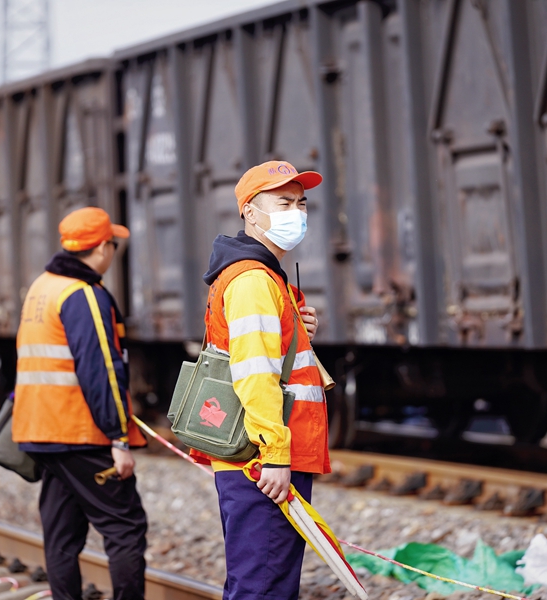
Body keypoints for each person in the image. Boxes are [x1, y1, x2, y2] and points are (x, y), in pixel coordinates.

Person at [195, 160, 332, 599]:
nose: (297, 212)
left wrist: (297, 329)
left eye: (301, 203)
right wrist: (275, 454)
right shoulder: (254, 279)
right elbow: (255, 375)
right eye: (283, 202)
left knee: (259, 581)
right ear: (250, 212)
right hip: (261, 461)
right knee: (264, 587)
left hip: (259, 458)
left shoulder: (262, 275)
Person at [12, 206, 147, 600]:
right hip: (79, 432)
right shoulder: (84, 294)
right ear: (103, 247)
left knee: (62, 534)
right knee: (125, 527)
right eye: (113, 244)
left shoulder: (43, 286)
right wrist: (119, 438)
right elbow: (101, 371)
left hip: (42, 431)